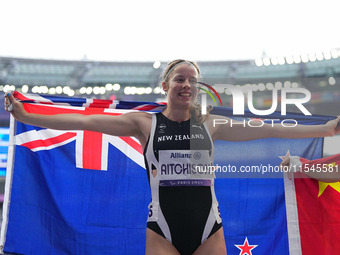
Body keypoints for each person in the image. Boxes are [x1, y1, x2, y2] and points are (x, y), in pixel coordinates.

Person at [4, 59, 340, 255]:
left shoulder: (212, 125)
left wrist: (326, 129)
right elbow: (83, 121)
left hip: (210, 230)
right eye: (180, 79)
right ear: (166, 85)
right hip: (161, 231)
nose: (187, 85)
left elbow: (270, 128)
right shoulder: (144, 122)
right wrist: (29, 116)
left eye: (193, 80)